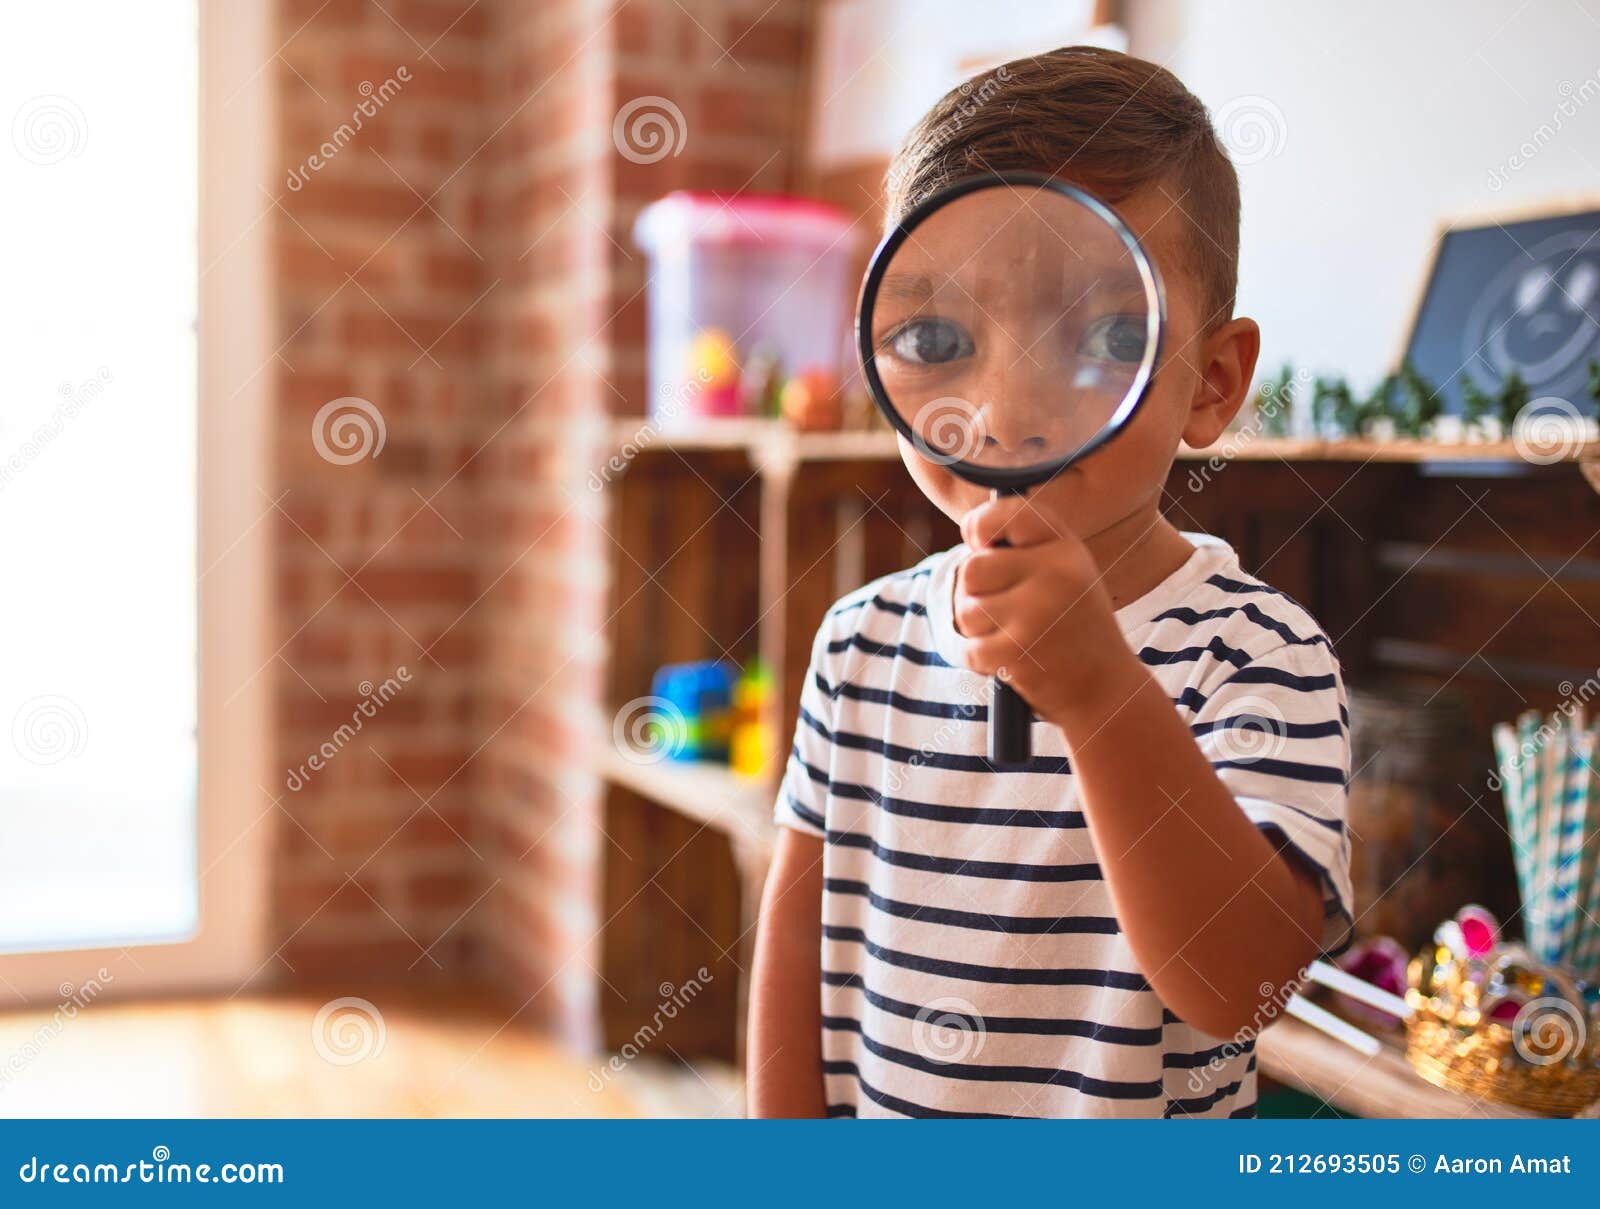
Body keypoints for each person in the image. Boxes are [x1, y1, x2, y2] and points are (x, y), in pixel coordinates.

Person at [749, 45, 1351, 1119]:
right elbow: (797, 946)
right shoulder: (857, 642)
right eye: (937, 336)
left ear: (1211, 384)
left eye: (1108, 334)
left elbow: (1241, 987)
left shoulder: (1259, 657)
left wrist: (1103, 698)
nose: (1007, 407)